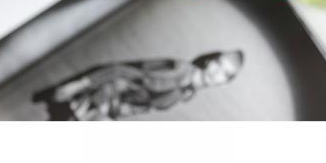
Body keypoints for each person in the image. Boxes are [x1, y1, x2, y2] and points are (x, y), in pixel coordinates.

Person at [33, 50, 244, 121]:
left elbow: (144, 102)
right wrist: (80, 84)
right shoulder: (179, 71)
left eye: (225, 74)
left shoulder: (188, 91)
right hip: (100, 99)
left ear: (225, 83)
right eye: (218, 64)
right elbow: (122, 71)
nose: (217, 73)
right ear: (209, 61)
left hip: (108, 110)